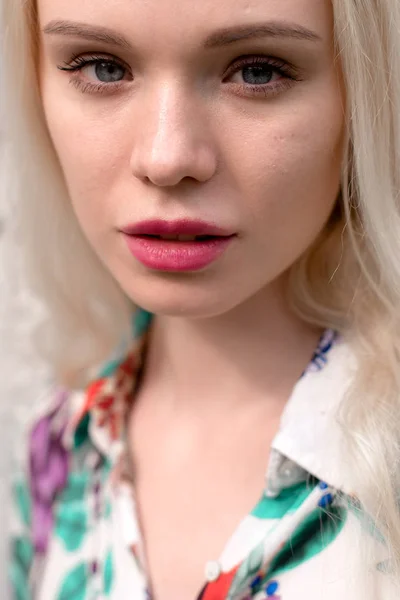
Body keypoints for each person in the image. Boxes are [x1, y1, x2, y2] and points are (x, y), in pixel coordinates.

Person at [3, 0, 400, 597]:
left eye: (258, 70)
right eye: (103, 67)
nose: (166, 159)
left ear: (366, 93)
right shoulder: (56, 451)